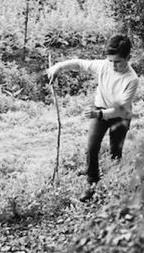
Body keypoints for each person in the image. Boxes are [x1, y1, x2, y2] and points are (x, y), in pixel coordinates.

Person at [47, 34, 139, 202]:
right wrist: (58, 67)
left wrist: (99, 114)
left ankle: (116, 185)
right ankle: (92, 184)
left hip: (120, 116)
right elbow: (80, 64)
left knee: (115, 153)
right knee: (91, 147)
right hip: (100, 110)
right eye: (110, 61)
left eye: (117, 61)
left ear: (128, 58)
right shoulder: (104, 66)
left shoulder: (132, 79)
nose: (113, 65)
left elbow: (122, 108)